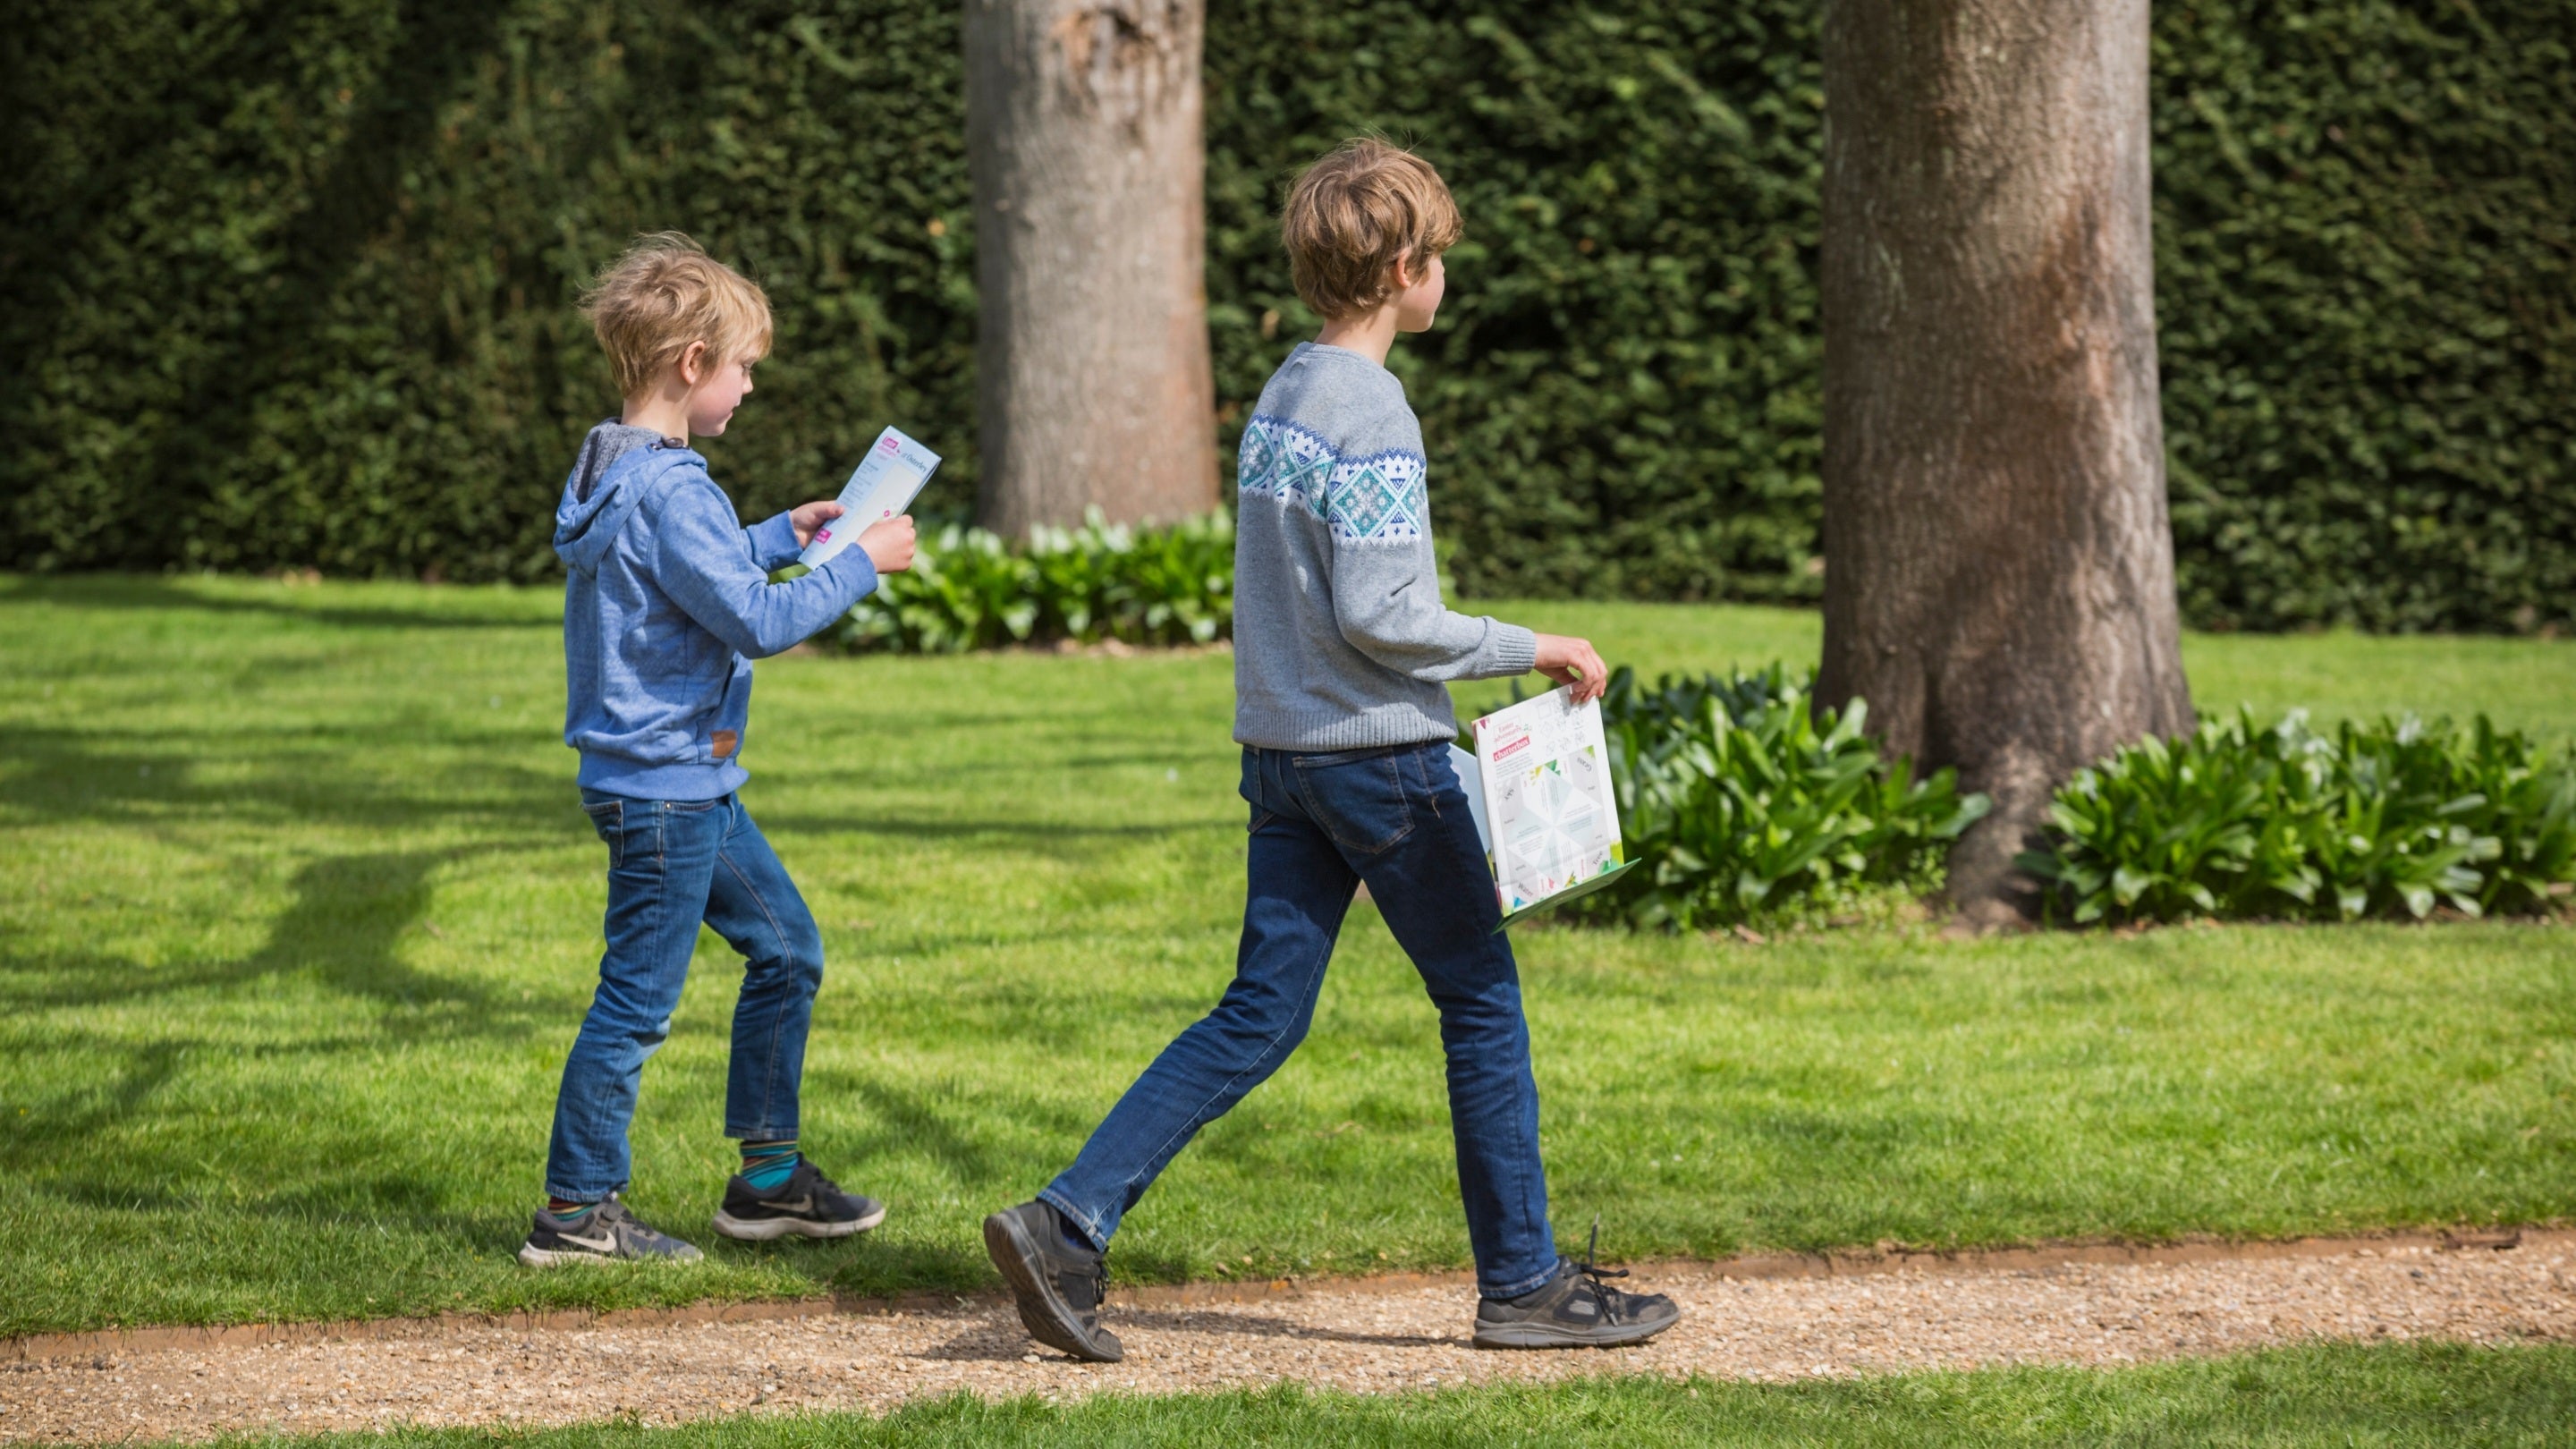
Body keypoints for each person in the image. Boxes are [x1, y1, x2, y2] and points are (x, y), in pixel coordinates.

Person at [982, 140, 1681, 1356]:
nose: (1444, 276)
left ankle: (1067, 1221)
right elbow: (1386, 616)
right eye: (1441, 258)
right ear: (1406, 270)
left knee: (1259, 1013)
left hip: (1286, 759)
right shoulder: (1373, 411)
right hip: (1382, 763)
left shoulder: (1285, 394)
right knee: (1479, 1003)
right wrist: (1533, 643)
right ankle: (1523, 1284)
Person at [519, 233, 918, 1267]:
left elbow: (680, 585)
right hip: (668, 794)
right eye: (741, 367)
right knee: (636, 1005)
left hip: (679, 782)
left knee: (787, 949)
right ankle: (575, 1212)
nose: (746, 387)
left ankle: (770, 1184)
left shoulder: (617, 470)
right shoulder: (676, 485)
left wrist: (779, 534)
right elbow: (756, 625)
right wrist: (863, 562)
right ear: (691, 362)